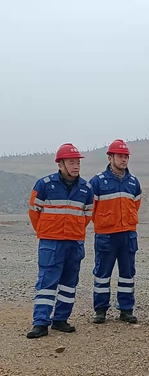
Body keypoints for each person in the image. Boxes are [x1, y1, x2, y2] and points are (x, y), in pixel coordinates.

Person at [26, 143, 94, 339]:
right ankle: (40, 323)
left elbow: (88, 215)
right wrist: (45, 231)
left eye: (78, 162)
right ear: (60, 164)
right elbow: (34, 212)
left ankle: (61, 319)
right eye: (71, 162)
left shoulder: (86, 188)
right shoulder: (44, 185)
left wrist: (75, 230)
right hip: (51, 242)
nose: (76, 166)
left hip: (74, 242)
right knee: (47, 281)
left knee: (69, 283)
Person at [90, 139, 142, 324]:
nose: (124, 159)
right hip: (106, 235)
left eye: (126, 156)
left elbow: (136, 205)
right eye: (120, 156)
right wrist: (104, 223)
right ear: (110, 157)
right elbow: (91, 208)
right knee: (102, 274)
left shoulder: (133, 182)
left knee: (128, 274)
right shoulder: (97, 181)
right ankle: (100, 310)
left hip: (127, 234)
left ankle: (126, 310)